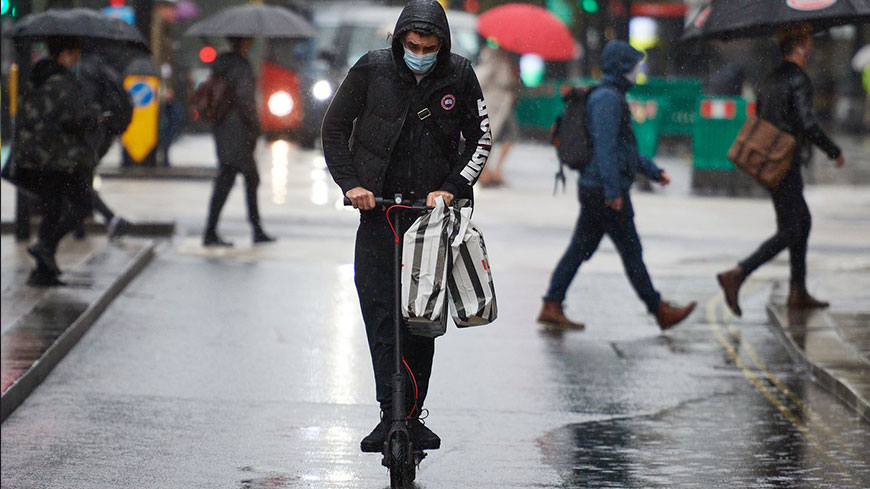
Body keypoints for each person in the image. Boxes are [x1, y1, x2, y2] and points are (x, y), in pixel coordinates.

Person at [321, 0, 491, 453]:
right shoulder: (372, 70)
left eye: (429, 47)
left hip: (431, 222)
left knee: (421, 319)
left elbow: (481, 138)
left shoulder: (459, 75)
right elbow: (334, 128)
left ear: (443, 45)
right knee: (380, 316)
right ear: (399, 42)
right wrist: (352, 184)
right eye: (413, 45)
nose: (420, 53)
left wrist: (451, 188)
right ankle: (387, 413)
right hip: (378, 215)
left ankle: (412, 415)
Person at [537, 40, 696, 331]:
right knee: (631, 251)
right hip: (603, 188)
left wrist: (653, 171)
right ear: (622, 68)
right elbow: (606, 148)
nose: (639, 71)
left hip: (596, 186)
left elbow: (624, 148)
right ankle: (659, 309)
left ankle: (552, 303)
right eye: (635, 66)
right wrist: (613, 192)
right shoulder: (607, 100)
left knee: (580, 248)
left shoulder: (611, 96)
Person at [717, 25, 845, 317]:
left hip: (771, 161)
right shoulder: (798, 79)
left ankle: (797, 291)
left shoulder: (772, 78)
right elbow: (807, 122)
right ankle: (737, 274)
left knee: (801, 223)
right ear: (799, 46)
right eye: (809, 42)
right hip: (786, 162)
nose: (811, 48)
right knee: (791, 229)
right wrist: (833, 151)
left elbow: (763, 114)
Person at [14, 37, 102, 286]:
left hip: (34, 156)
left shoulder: (36, 77)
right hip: (56, 158)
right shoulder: (63, 82)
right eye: (74, 54)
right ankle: (45, 247)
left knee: (52, 209)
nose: (76, 60)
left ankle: (43, 271)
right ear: (64, 54)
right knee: (82, 204)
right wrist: (95, 116)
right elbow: (75, 118)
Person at [202, 37, 274, 247]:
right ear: (244, 42)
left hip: (224, 128)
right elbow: (245, 100)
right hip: (239, 132)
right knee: (236, 179)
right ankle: (215, 231)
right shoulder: (240, 66)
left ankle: (251, 229)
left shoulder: (222, 64)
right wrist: (256, 125)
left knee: (236, 178)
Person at [76, 50, 134, 241]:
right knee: (81, 179)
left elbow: (86, 106)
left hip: (90, 134)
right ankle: (80, 227)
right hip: (105, 134)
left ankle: (111, 219)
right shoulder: (107, 70)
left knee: (78, 181)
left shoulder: (84, 70)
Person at [475, 44, 518, 187]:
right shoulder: (493, 57)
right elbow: (481, 78)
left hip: (505, 104)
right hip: (493, 104)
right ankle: (485, 173)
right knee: (488, 137)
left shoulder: (510, 58)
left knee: (509, 136)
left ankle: (495, 170)